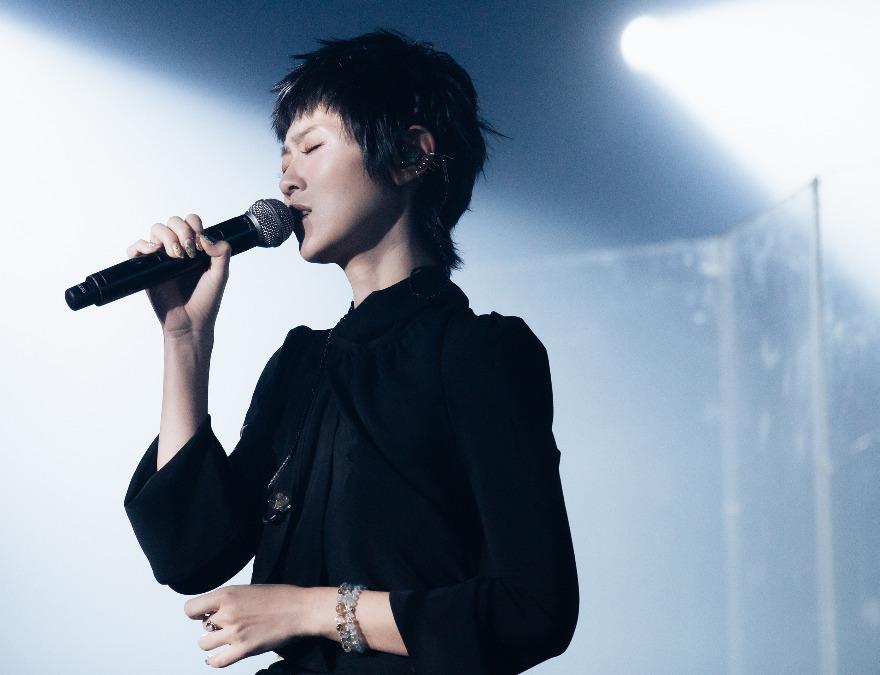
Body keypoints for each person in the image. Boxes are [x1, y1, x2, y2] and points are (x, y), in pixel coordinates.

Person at [122, 29, 578, 675]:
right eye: (283, 157)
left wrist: (310, 610)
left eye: (312, 146)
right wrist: (184, 339)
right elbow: (190, 554)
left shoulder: (479, 354)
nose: (288, 178)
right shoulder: (301, 366)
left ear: (411, 155)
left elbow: (534, 608)